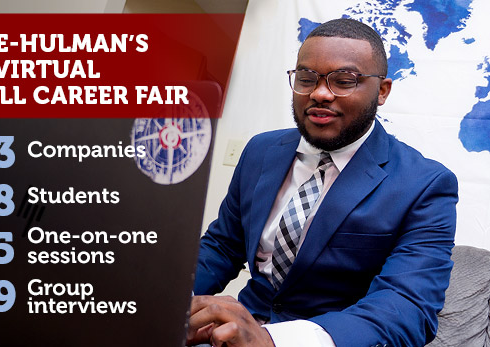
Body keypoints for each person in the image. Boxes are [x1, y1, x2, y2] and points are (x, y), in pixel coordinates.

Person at [187, 18, 458, 347]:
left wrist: (271, 340)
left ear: (382, 91)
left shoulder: (425, 185)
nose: (319, 93)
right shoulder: (260, 151)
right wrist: (165, 300)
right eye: (306, 78)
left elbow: (406, 308)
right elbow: (223, 246)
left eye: (343, 81)